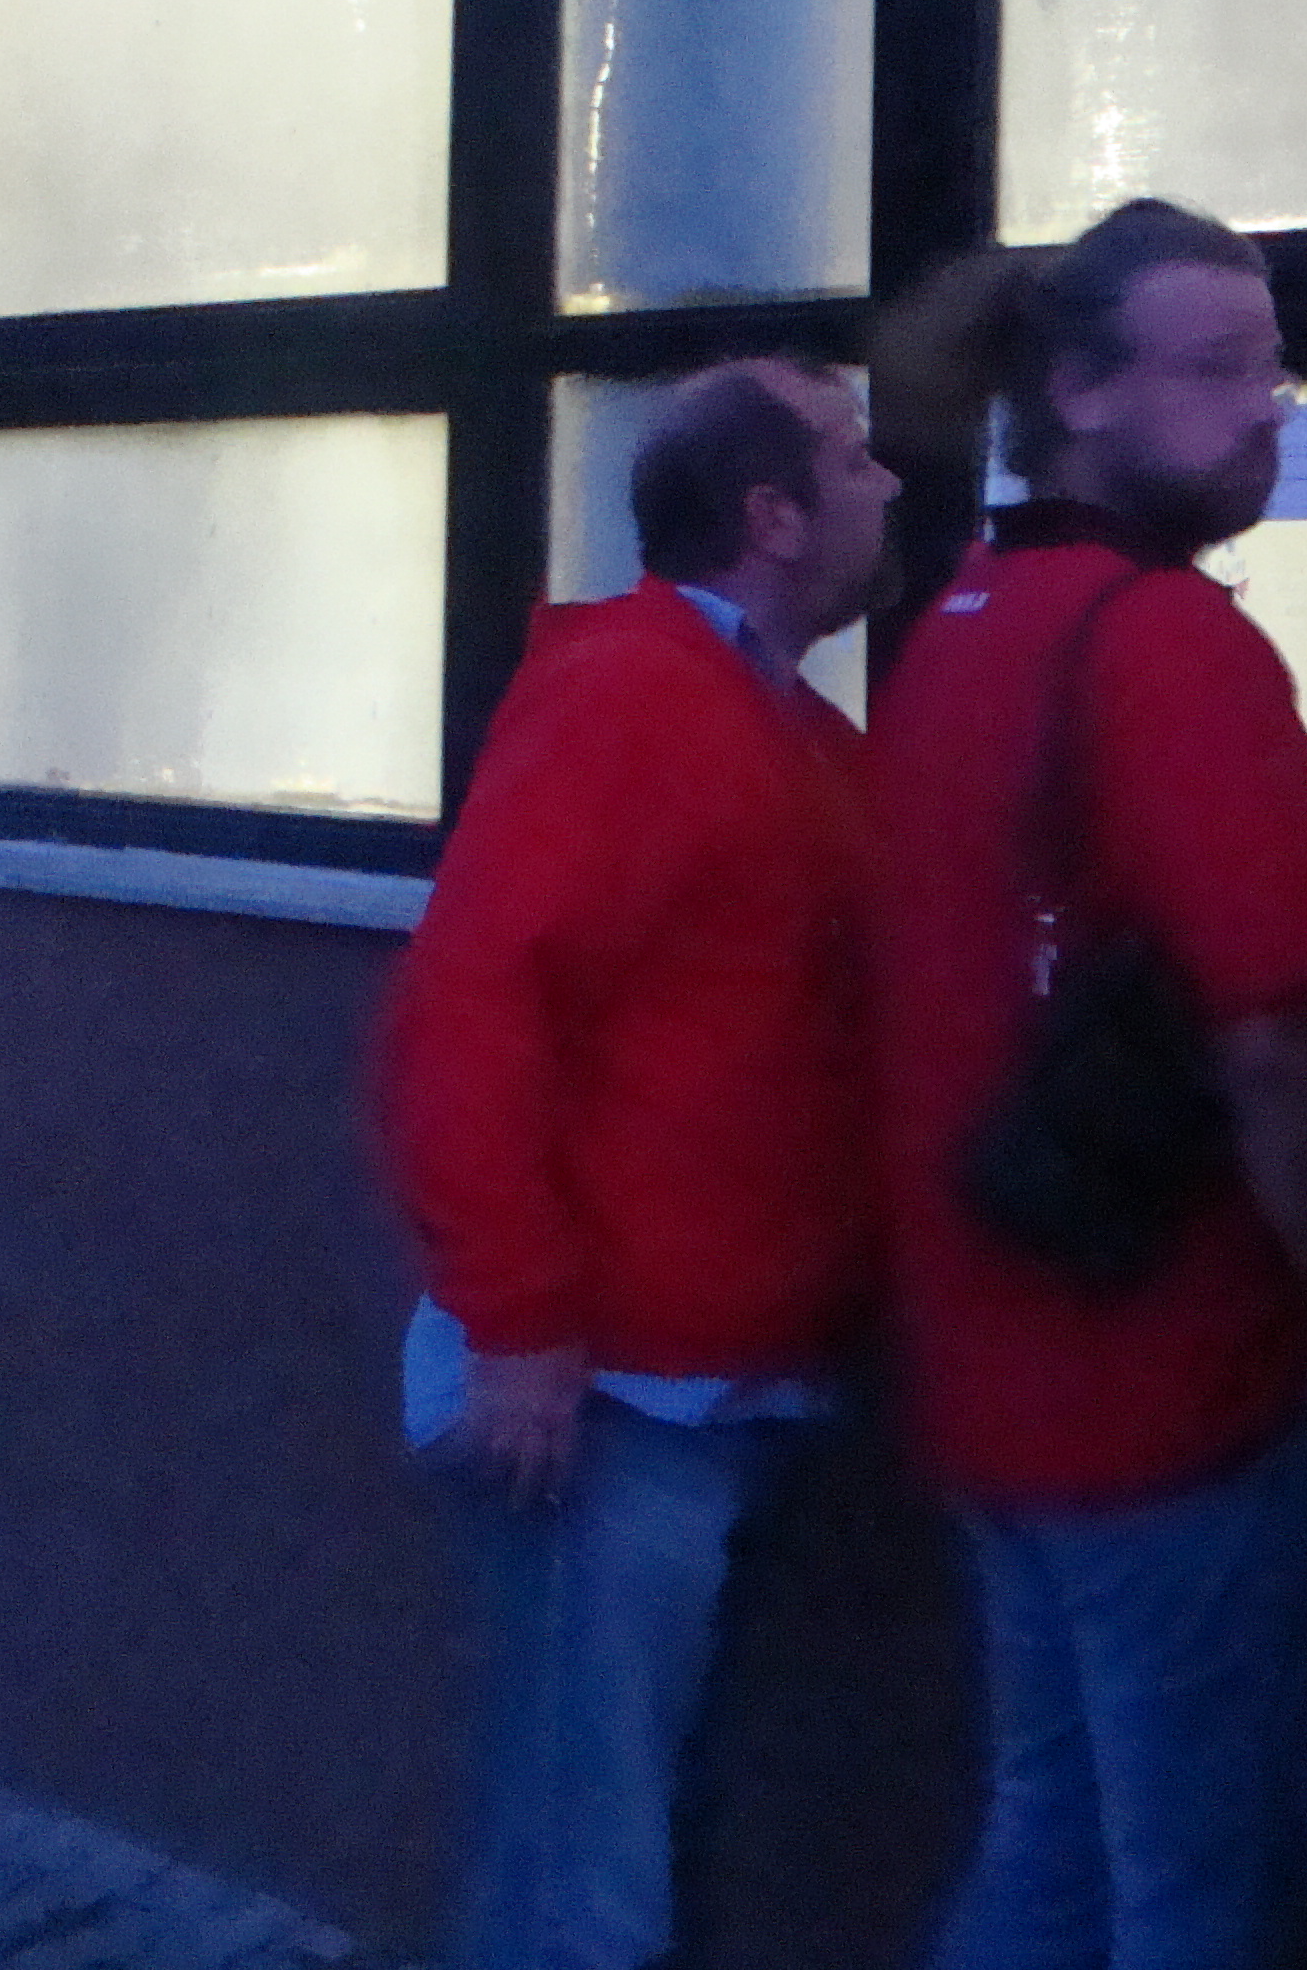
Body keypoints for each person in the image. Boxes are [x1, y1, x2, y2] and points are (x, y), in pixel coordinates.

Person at [870, 198, 1307, 1970]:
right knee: (1195, 1893)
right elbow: (1278, 1041)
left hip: (987, 1362)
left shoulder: (956, 621)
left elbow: (1035, 926)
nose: (1268, 409)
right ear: (1082, 393)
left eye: (1275, 368)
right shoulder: (1169, 646)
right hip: (1174, 1381)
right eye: (1220, 367)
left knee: (1050, 1838)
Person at [377, 358, 900, 1970]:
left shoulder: (796, 732)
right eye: (857, 461)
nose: (892, 487)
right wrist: (522, 1323)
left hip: (718, 1389)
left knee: (623, 1833)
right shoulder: (630, 696)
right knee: (579, 1872)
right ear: (772, 516)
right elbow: (470, 1004)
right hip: (604, 1402)